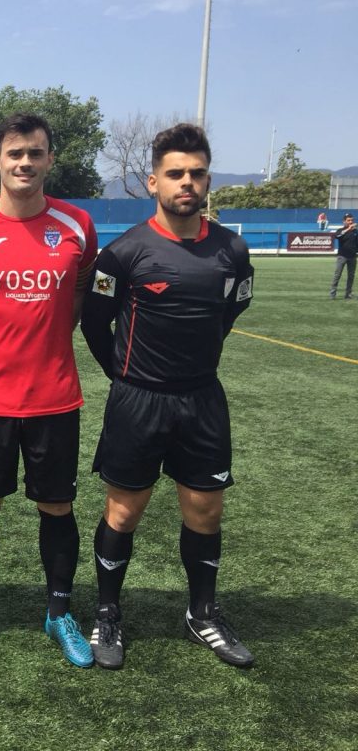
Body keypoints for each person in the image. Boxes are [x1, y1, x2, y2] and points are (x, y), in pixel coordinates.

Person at [80, 123, 255, 669]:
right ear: (154, 181)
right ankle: (107, 613)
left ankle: (202, 613)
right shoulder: (123, 253)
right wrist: (124, 375)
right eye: (175, 173)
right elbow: (94, 322)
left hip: (202, 400)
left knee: (206, 509)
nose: (187, 183)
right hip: (138, 401)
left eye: (197, 173)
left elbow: (231, 312)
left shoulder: (232, 250)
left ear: (207, 182)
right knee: (124, 510)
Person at [0, 112, 98, 667]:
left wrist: (52, 341)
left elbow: (81, 291)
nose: (24, 162)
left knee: (57, 505)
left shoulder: (77, 225)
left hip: (55, 395)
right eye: (15, 153)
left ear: (50, 159)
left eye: (35, 153)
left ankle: (59, 613)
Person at [328, 212, 356, 300]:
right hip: (342, 256)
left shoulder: (355, 232)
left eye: (351, 220)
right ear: (344, 221)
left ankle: (348, 294)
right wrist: (348, 229)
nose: (350, 222)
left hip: (352, 257)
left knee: (351, 276)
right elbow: (337, 236)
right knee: (337, 275)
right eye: (348, 220)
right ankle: (332, 294)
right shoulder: (340, 230)